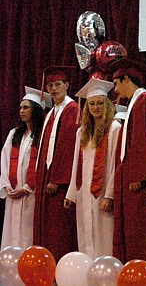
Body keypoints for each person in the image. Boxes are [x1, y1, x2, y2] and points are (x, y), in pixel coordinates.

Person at [110, 57, 146, 266]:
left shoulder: (144, 101)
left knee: (141, 233)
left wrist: (139, 176)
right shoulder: (135, 103)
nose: (116, 90)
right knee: (130, 232)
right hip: (131, 180)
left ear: (125, 79)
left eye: (116, 84)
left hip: (140, 184)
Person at [64, 78, 121, 259]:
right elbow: (76, 163)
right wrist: (71, 193)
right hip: (84, 193)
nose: (96, 107)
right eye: (92, 104)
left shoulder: (114, 128)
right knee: (85, 234)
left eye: (100, 103)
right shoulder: (82, 131)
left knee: (103, 235)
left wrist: (110, 195)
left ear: (107, 105)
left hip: (102, 192)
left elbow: (114, 164)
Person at [33, 65, 79, 262]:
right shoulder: (51, 113)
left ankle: (58, 267)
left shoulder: (71, 109)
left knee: (58, 230)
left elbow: (68, 146)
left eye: (57, 84)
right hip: (46, 178)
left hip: (58, 184)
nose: (53, 88)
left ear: (67, 85)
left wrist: (57, 179)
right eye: (50, 85)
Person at [1, 87, 50, 249]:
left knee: (27, 234)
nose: (22, 111)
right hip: (13, 192)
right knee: (11, 233)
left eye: (26, 107)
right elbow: (4, 159)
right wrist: (6, 185)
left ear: (35, 110)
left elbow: (42, 163)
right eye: (21, 107)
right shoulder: (14, 133)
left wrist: (28, 188)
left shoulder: (42, 134)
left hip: (30, 194)